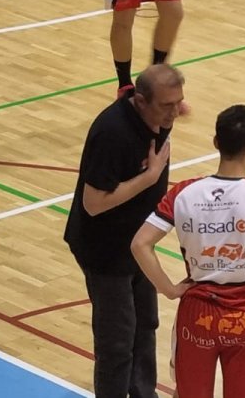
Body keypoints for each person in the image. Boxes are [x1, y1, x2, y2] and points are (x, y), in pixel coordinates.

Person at [132, 105, 245, 398]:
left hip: (197, 314)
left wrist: (168, 289)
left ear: (216, 143)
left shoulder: (183, 192)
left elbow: (140, 244)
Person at [63, 63, 185, 398]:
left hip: (137, 244)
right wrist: (149, 177)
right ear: (141, 101)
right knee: (117, 343)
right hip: (106, 250)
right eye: (167, 105)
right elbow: (93, 203)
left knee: (145, 327)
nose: (175, 112)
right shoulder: (112, 132)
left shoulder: (158, 115)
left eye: (179, 103)